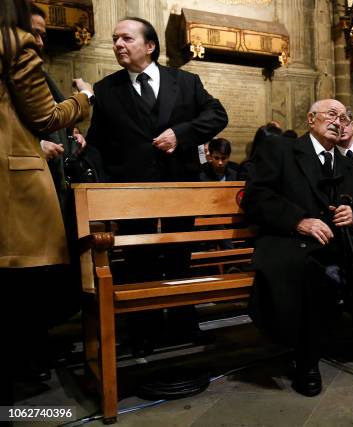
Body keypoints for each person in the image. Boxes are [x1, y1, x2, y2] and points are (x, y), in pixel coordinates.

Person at [86, 17, 228, 355]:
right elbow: (97, 145)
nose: (118, 44)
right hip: (131, 193)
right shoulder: (106, 90)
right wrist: (103, 187)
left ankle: (183, 324)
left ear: (149, 45)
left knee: (180, 255)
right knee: (139, 260)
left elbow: (217, 115)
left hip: (179, 187)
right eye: (115, 39)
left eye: (126, 38)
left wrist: (181, 134)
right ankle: (143, 332)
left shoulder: (186, 82)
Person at [241, 98, 353, 397]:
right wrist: (299, 221)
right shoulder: (282, 150)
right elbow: (256, 197)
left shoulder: (348, 165)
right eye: (330, 114)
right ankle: (307, 359)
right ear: (311, 119)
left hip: (338, 239)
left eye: (343, 116)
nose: (338, 121)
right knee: (308, 269)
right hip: (292, 240)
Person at [0, 0, 92, 409]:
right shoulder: (13, 44)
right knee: (18, 293)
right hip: (11, 187)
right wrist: (85, 100)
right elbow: (46, 117)